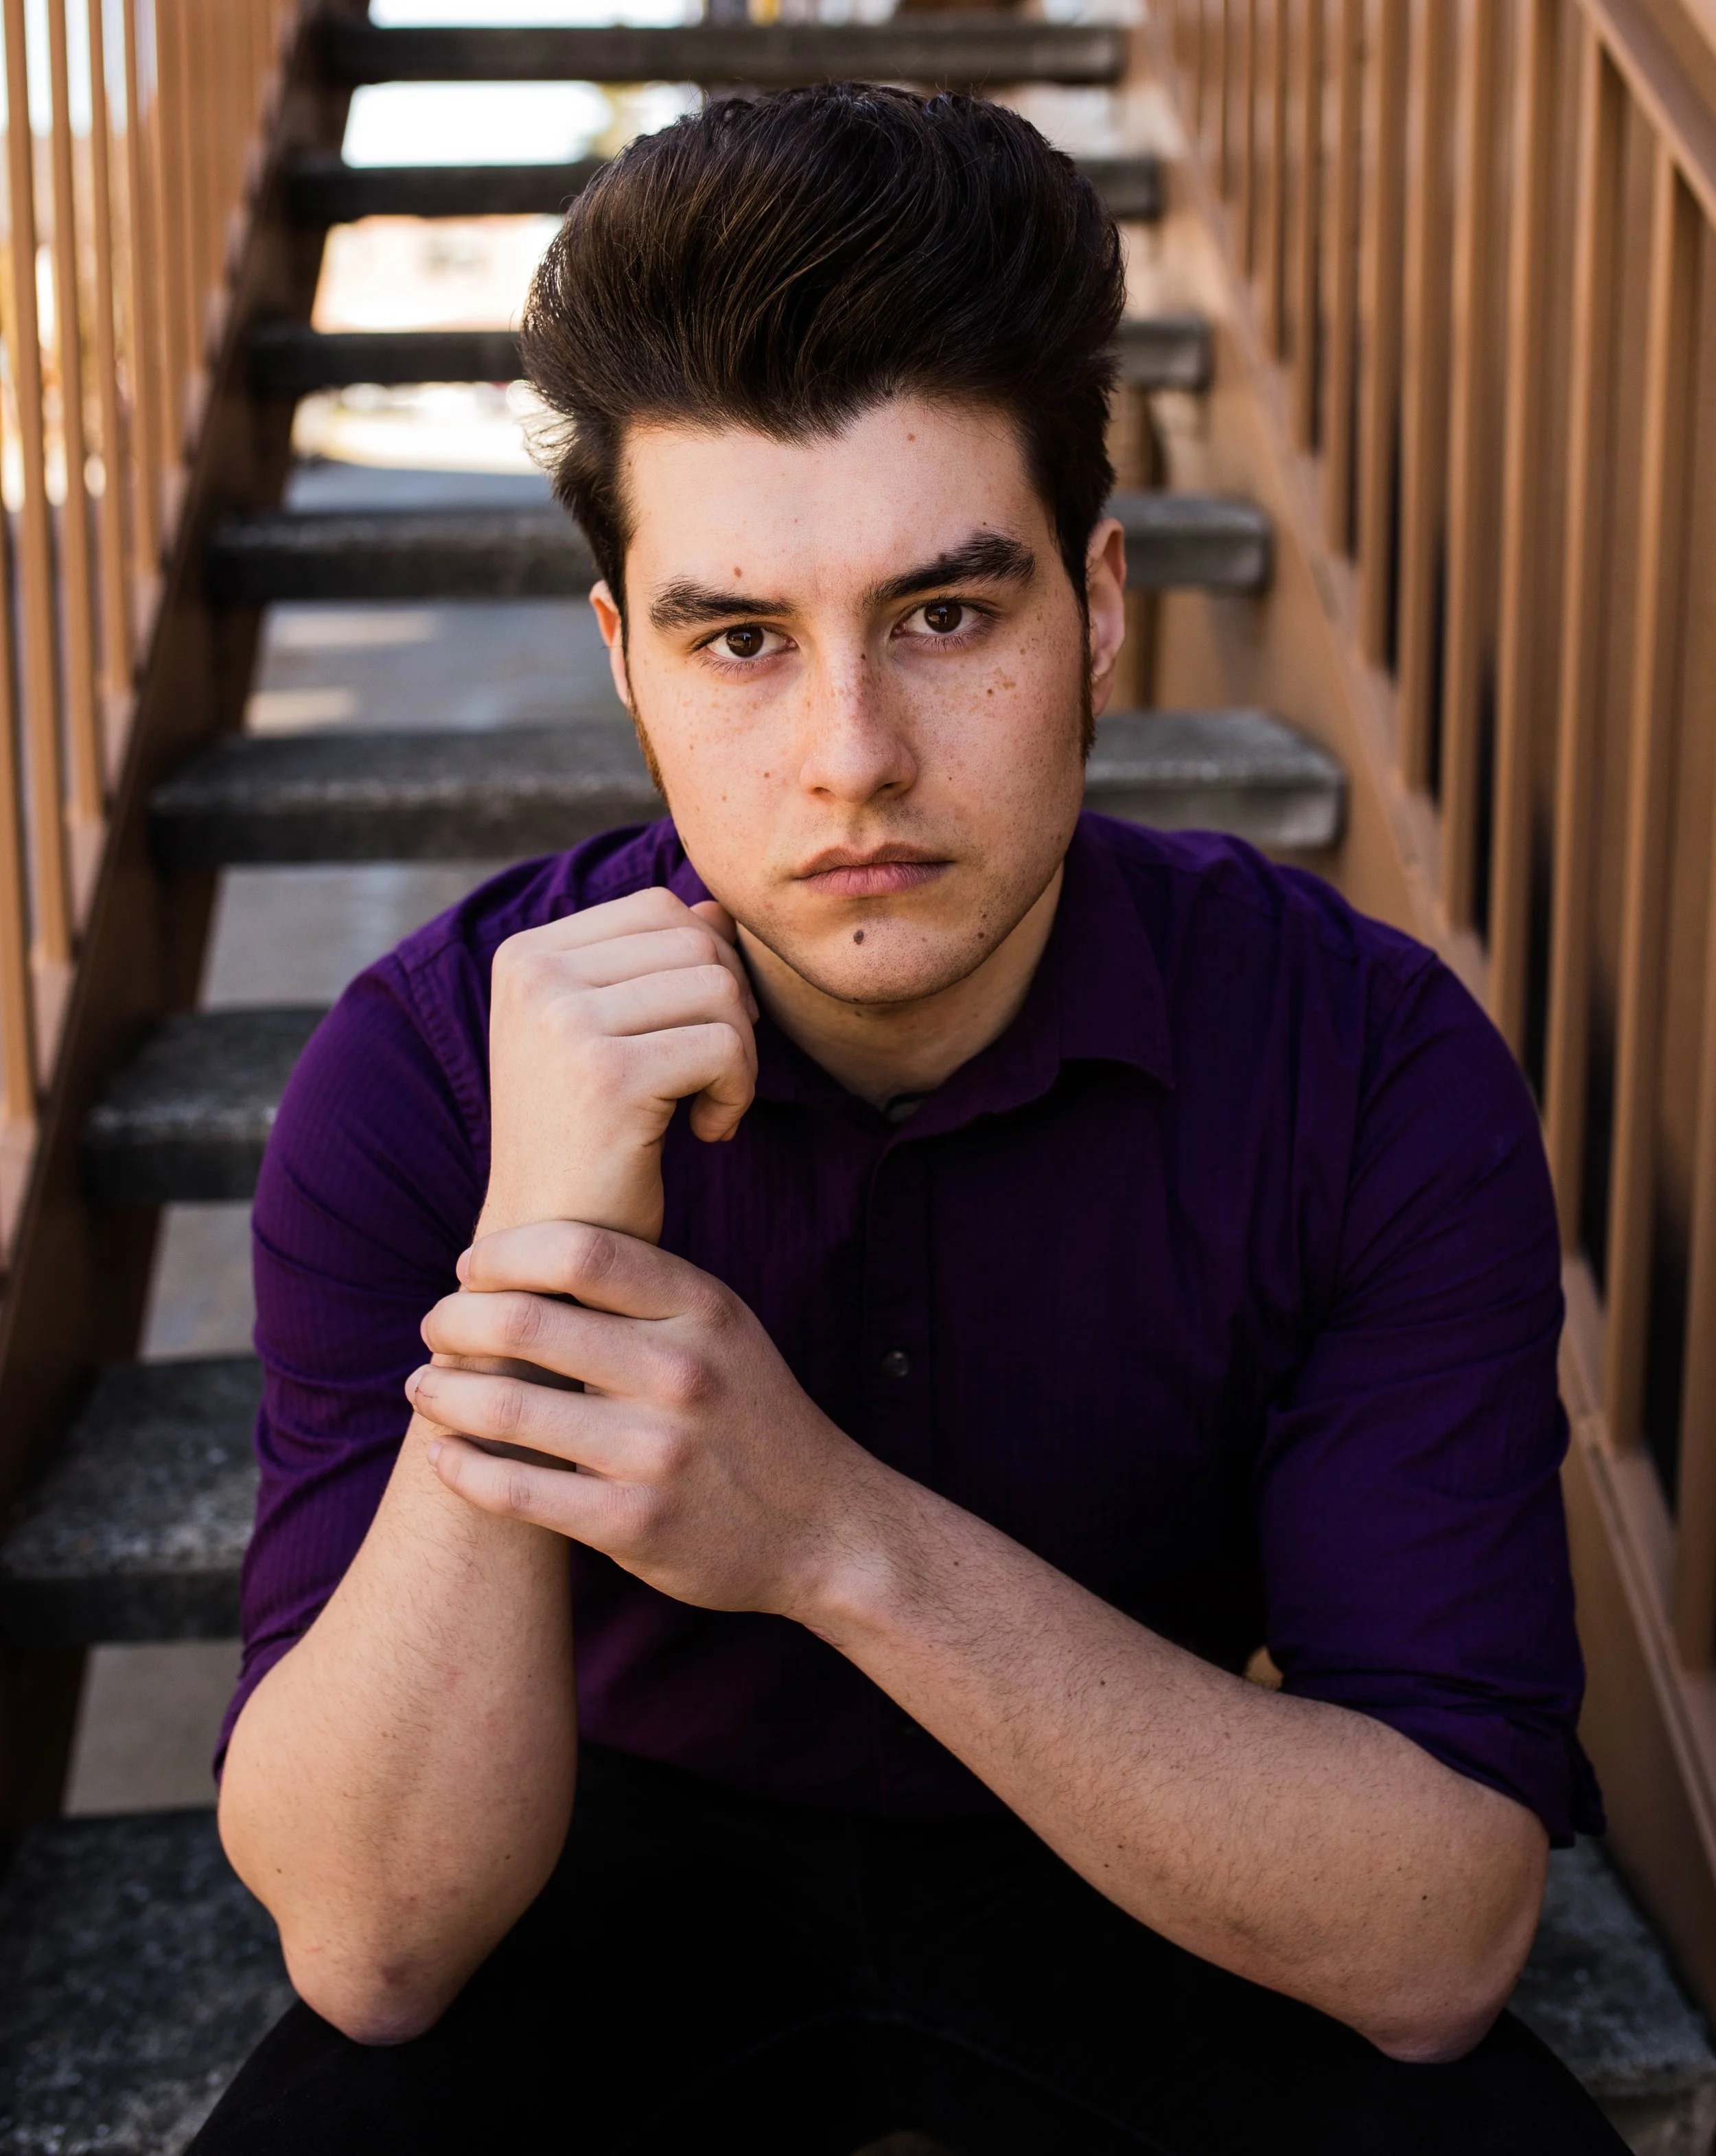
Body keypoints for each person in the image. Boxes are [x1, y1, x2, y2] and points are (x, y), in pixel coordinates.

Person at [197, 84, 1625, 2155]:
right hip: (607, 1871)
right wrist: (536, 1258)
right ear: (625, 663)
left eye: (943, 615)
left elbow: (1433, 1946)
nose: (848, 757)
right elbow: (375, 1943)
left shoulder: (1364, 1060)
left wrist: (823, 1533)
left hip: (1146, 1816)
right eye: (741, 639)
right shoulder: (428, 1068)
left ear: (1098, 609)